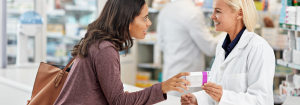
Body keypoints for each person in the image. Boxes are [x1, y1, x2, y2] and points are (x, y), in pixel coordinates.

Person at [54, 0, 191, 105]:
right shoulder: (105, 49)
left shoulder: (97, 42)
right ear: (126, 20)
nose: (149, 23)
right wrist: (161, 88)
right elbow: (119, 102)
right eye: (144, 18)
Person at [181, 0, 275, 104]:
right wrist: (197, 99)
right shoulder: (222, 45)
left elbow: (260, 101)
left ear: (239, 13)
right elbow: (216, 91)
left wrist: (224, 97)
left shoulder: (258, 48)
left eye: (218, 11)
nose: (212, 16)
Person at [157, 0, 225, 97]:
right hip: (187, 80)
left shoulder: (165, 10)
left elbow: (161, 44)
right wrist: (226, 33)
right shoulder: (192, 12)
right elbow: (210, 48)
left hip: (169, 77)